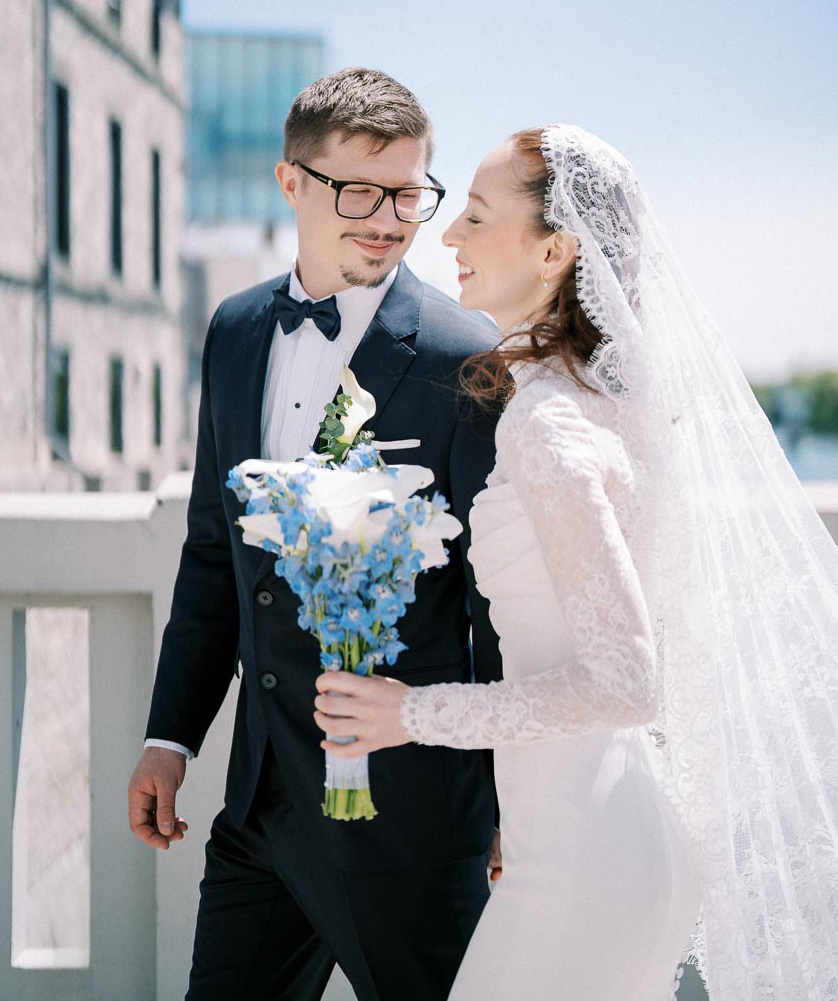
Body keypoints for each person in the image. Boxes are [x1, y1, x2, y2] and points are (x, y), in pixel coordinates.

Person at [315, 125, 838, 1001]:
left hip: (585, 868)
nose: (447, 239)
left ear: (554, 250)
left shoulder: (548, 426)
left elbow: (628, 678)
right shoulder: (606, 407)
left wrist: (415, 714)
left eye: (476, 217)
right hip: (586, 837)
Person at [127, 68, 503, 1001]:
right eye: (359, 191)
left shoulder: (467, 357)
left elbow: (496, 604)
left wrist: (512, 802)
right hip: (258, 808)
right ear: (292, 182)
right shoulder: (235, 329)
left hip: (410, 826)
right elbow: (215, 554)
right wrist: (171, 738)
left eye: (411, 192)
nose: (390, 219)